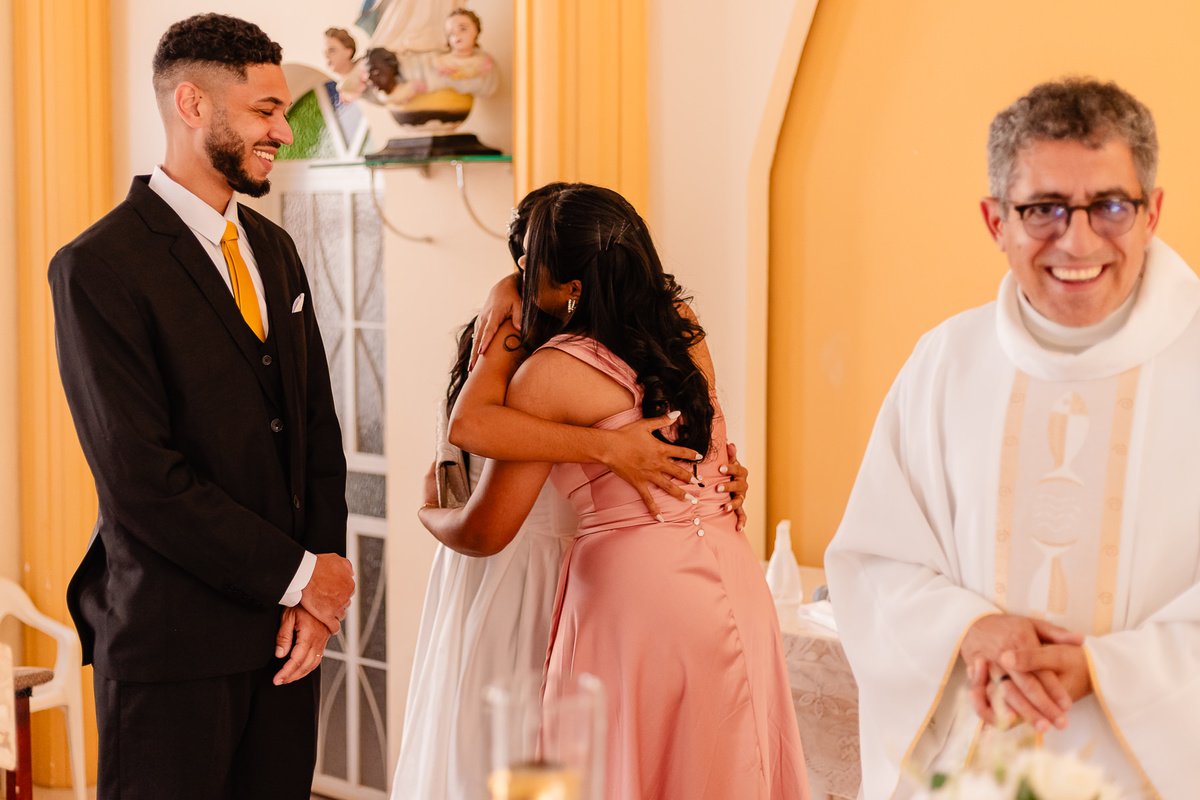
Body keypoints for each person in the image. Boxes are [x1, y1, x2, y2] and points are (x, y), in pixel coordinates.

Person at [825, 77, 1199, 799]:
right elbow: (873, 562)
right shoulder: (946, 363)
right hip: (977, 770)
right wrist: (966, 630)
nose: (1078, 239)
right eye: (1043, 210)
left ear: (1152, 212)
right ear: (996, 221)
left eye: (1110, 206)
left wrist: (1108, 671)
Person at [48, 14, 355, 800]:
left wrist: (316, 597)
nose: (284, 131)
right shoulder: (97, 268)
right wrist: (298, 577)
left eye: (282, 111)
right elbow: (142, 480)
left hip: (286, 646)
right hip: (169, 651)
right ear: (192, 105)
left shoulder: (275, 250)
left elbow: (317, 433)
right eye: (265, 111)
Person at [420, 183, 809, 799]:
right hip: (734, 575)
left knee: (615, 767)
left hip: (637, 595)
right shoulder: (682, 332)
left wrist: (431, 512)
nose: (518, 276)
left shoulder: (550, 373)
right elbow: (706, 458)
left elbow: (476, 480)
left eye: (528, 264)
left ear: (571, 287)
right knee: (727, 767)